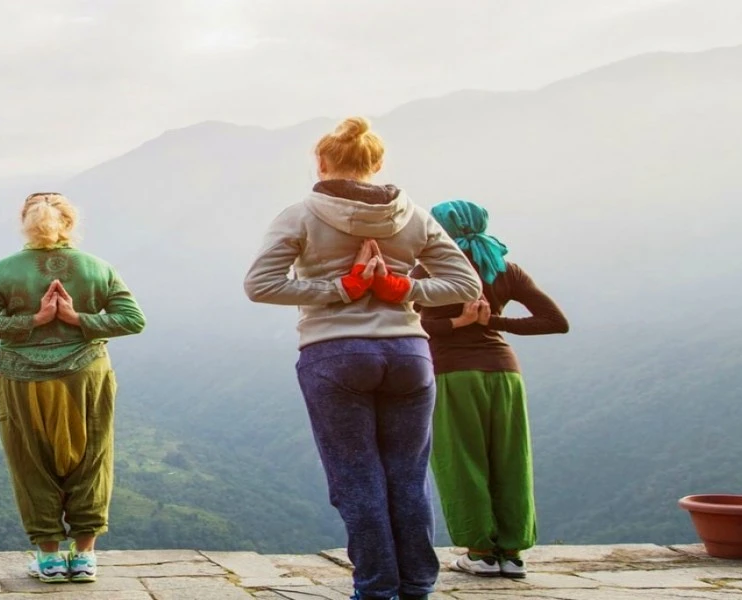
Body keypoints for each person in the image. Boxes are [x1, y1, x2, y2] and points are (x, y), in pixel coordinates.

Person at [242, 117, 481, 600]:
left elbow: (260, 285)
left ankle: (375, 589)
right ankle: (417, 585)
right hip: (410, 355)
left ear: (323, 163)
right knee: (407, 476)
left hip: (334, 354)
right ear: (377, 164)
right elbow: (466, 286)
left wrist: (339, 289)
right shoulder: (413, 217)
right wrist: (402, 289)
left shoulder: (301, 214)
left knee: (357, 478)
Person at [0, 193, 145, 584]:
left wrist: (33, 319)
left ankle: (48, 558)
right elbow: (133, 320)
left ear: (24, 221)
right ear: (69, 221)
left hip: (22, 377)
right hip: (86, 375)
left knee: (31, 461)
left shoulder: (2, 270)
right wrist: (78, 318)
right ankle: (83, 558)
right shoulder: (97, 268)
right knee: (92, 457)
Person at [414, 199, 568, 579]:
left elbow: (407, 324)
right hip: (505, 374)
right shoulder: (505, 269)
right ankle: (512, 554)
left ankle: (480, 552)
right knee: (510, 459)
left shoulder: (428, 270)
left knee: (463, 460)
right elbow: (555, 321)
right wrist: (494, 321)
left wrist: (459, 323)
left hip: (452, 375)